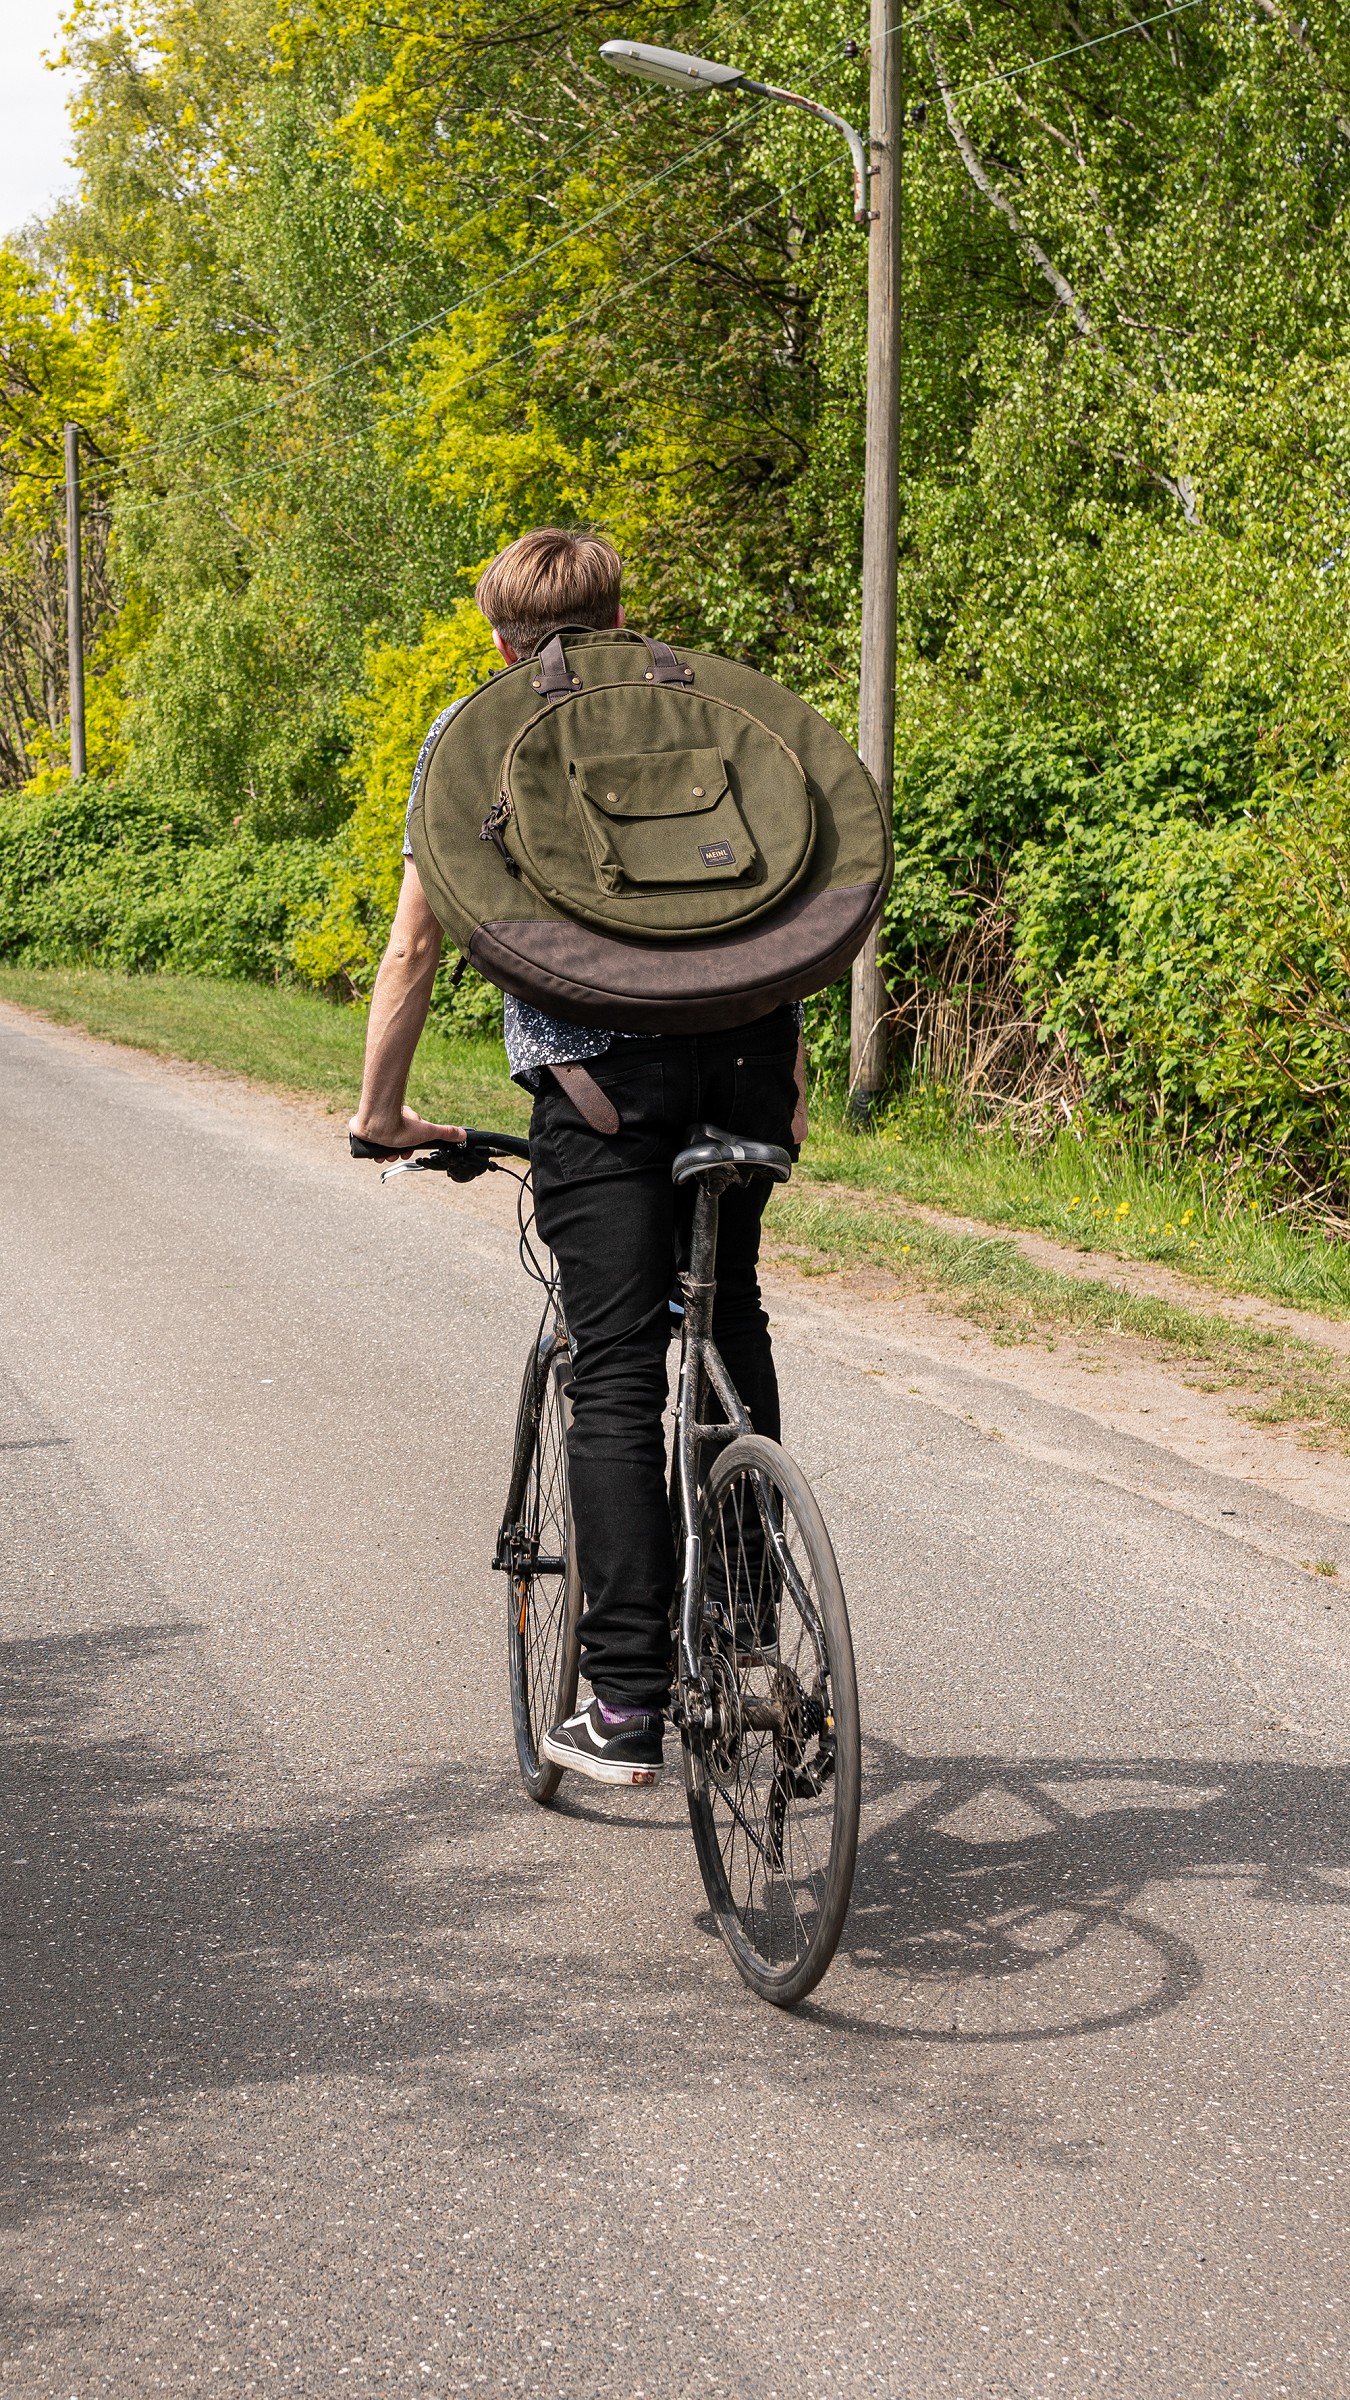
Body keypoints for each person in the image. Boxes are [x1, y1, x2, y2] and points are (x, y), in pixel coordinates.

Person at [350, 527, 804, 1788]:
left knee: (615, 1371)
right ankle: (756, 1638)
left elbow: (415, 950)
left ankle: (622, 1701)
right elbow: (782, 894)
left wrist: (383, 1112)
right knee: (735, 1325)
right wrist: (791, 1083)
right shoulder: (699, 701)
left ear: (501, 639)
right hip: (749, 1067)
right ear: (619, 615)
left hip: (601, 1094)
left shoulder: (476, 731)